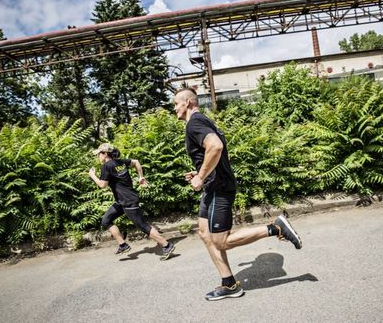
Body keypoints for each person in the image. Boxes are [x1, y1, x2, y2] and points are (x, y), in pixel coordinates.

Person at [173, 88, 302, 301]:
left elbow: (215, 147)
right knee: (205, 234)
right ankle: (229, 284)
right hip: (214, 185)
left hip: (218, 188)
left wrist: (201, 176)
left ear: (187, 102)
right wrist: (200, 172)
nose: (174, 108)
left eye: (176, 103)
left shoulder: (194, 123)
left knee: (221, 241)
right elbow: (218, 154)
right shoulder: (204, 121)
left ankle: (275, 228)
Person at [89, 143, 175, 260]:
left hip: (128, 201)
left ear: (104, 154)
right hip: (121, 201)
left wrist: (92, 175)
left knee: (143, 226)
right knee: (106, 220)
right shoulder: (121, 162)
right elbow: (136, 162)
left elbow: (102, 185)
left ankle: (167, 245)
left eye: (98, 154)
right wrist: (141, 176)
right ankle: (123, 245)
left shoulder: (107, 166)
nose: (97, 157)